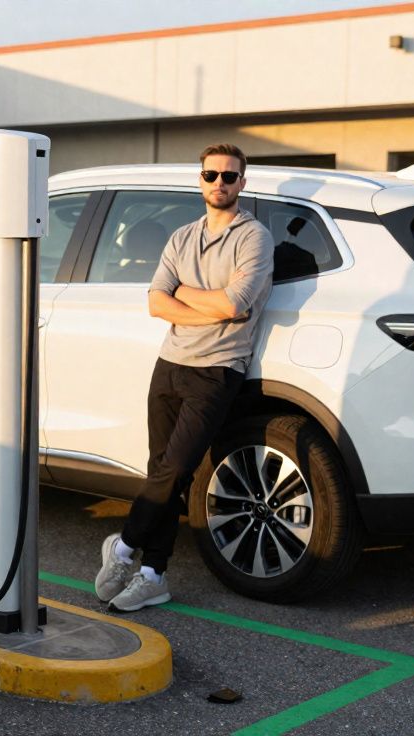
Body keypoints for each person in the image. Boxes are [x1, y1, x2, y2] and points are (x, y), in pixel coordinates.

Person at [94, 143, 274, 613]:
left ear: (242, 183)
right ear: (200, 180)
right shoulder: (181, 237)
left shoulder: (254, 238)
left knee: (175, 470)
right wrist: (208, 305)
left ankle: (123, 548)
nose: (220, 183)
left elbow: (236, 306)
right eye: (211, 175)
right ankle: (154, 575)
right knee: (162, 474)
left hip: (217, 371)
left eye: (229, 177)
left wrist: (186, 296)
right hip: (170, 365)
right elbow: (156, 302)